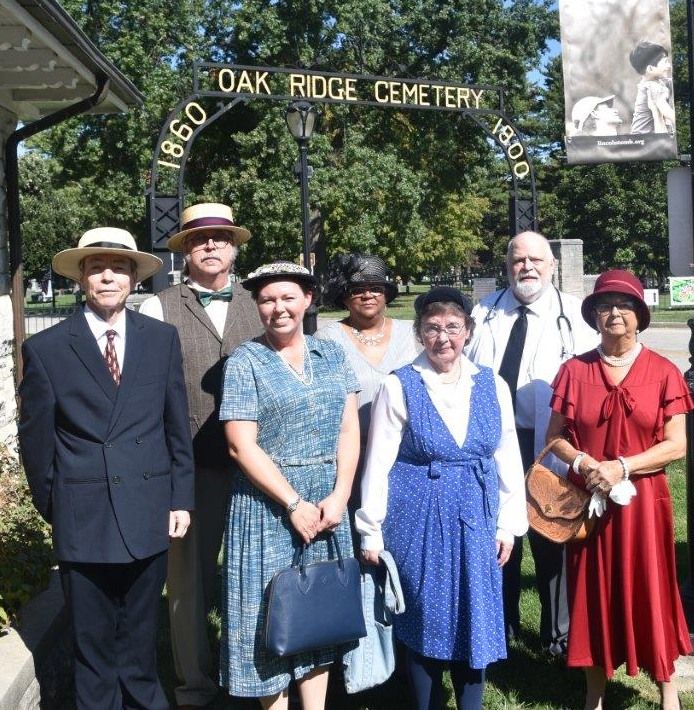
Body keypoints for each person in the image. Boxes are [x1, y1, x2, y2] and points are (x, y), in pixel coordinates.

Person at [18, 228, 194, 710]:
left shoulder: (161, 340)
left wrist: (180, 496)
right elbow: (36, 443)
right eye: (96, 268)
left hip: (148, 508)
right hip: (84, 515)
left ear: (135, 277)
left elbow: (175, 424)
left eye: (118, 267)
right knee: (93, 651)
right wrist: (58, 502)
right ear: (81, 279)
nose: (108, 276)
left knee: (139, 644)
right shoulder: (49, 348)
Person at [356, 286, 527, 710]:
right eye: (432, 329)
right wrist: (370, 530)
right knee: (425, 614)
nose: (443, 338)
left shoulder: (492, 384)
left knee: (477, 615)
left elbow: (507, 454)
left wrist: (508, 524)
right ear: (418, 334)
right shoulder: (400, 386)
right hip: (418, 515)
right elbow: (378, 462)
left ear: (467, 332)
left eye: (453, 327)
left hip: (477, 513)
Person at [545, 270, 692, 710]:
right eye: (605, 305)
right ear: (593, 315)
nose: (615, 313)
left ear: (639, 315)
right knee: (591, 591)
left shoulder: (664, 372)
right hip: (589, 504)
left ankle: (668, 691)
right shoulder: (574, 371)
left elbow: (677, 444)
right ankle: (594, 691)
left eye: (624, 305)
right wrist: (587, 463)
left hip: (645, 503)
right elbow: (555, 439)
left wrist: (623, 466)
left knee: (653, 587)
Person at [219, 261, 360, 709]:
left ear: (307, 300)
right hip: (267, 506)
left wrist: (340, 496)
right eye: (267, 300)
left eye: (287, 297)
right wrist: (293, 502)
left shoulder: (333, 354)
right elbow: (242, 446)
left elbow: (348, 431)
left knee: (316, 611)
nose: (278, 308)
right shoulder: (245, 361)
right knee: (269, 615)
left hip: (327, 504)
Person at [139, 202, 261, 709]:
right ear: (185, 249)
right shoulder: (157, 306)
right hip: (190, 466)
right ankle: (194, 686)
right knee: (188, 586)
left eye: (220, 237)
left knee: (256, 575)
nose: (210, 245)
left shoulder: (265, 301)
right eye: (199, 238)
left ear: (234, 246)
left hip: (258, 467)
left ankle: (254, 675)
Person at [466, 230, 597, 656]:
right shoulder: (483, 313)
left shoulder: (577, 316)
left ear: (553, 266)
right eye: (518, 260)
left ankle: (557, 635)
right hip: (493, 443)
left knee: (551, 536)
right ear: (507, 267)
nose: (527, 268)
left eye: (536, 260)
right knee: (499, 538)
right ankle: (499, 629)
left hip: (550, 445)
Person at [315, 253, 420, 466]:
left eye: (376, 288)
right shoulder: (328, 338)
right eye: (357, 290)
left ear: (386, 295)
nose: (368, 295)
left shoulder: (413, 334)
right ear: (344, 296)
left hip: (407, 455)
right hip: (350, 457)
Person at [629, 41, 675, 135]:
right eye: (665, 62)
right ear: (650, 69)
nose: (669, 66)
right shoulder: (651, 86)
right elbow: (666, 111)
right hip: (643, 141)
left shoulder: (659, 82)